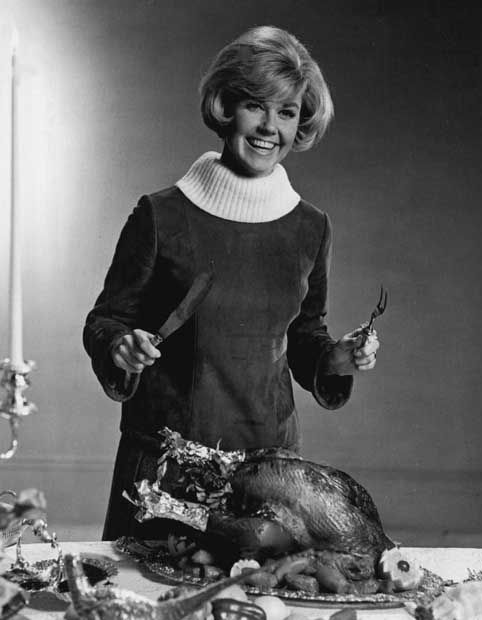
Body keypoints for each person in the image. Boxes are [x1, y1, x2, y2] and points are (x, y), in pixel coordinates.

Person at [83, 26, 380, 541]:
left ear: (301, 123)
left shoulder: (310, 228)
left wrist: (334, 358)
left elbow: (304, 336)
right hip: (164, 470)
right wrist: (120, 345)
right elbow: (106, 321)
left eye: (286, 112)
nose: (269, 127)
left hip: (268, 476)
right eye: (255, 105)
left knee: (260, 590)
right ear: (225, 107)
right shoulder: (160, 215)